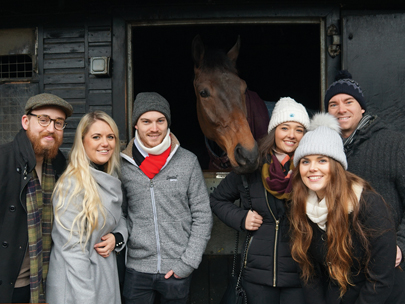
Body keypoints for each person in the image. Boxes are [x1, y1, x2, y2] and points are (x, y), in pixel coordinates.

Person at [290, 112, 399, 303]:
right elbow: (309, 273)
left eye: (322, 160)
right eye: (305, 161)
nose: (312, 168)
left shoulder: (368, 204)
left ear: (337, 165)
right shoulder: (302, 207)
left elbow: (380, 279)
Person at [210, 97, 310, 303]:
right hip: (257, 277)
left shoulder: (312, 169)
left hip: (300, 277)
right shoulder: (252, 166)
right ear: (274, 131)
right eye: (285, 128)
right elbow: (217, 199)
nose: (291, 135)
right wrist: (241, 218)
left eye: (299, 130)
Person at [120, 92, 213, 304]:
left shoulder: (187, 161)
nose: (154, 128)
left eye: (160, 121)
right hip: (136, 270)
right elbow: (120, 214)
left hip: (177, 269)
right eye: (146, 121)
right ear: (136, 125)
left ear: (167, 123)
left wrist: (187, 263)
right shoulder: (123, 165)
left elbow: (202, 215)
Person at [325, 70, 405, 299]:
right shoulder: (322, 154)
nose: (341, 109)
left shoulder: (395, 144)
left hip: (387, 270)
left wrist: (399, 244)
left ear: (361, 108)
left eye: (348, 102)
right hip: (339, 272)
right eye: (333, 104)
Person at [46, 111, 128, 304]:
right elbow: (72, 252)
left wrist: (118, 237)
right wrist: (86, 299)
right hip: (77, 287)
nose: (105, 143)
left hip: (103, 278)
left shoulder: (111, 178)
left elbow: (120, 217)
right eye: (96, 137)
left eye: (110, 137)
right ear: (82, 142)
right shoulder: (72, 185)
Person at [0, 93, 73, 303]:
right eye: (43, 119)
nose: (51, 128)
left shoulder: (60, 166)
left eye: (58, 123)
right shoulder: (3, 161)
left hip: (44, 282)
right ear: (25, 121)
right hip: (9, 286)